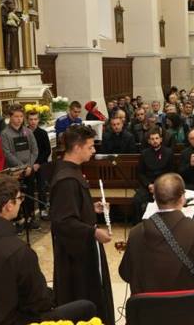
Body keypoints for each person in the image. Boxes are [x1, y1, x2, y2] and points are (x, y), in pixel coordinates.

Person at [0, 175, 96, 324]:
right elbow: (39, 305)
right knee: (85, 308)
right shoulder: (17, 251)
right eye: (20, 198)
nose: (21, 202)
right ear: (8, 206)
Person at [48, 125, 115, 324]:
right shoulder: (66, 180)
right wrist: (94, 232)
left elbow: (71, 208)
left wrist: (90, 208)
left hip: (81, 246)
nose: (93, 151)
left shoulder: (70, 171)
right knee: (83, 292)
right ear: (77, 147)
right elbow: (64, 221)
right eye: (90, 146)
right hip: (76, 255)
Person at [0, 104, 40, 231]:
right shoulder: (5, 133)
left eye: (21, 117)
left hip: (28, 169)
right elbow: (6, 153)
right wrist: (21, 167)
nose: (19, 119)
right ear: (10, 117)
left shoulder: (27, 131)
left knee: (29, 193)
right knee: (16, 195)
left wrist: (29, 166)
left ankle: (30, 218)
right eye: (16, 116)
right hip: (15, 171)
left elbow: (34, 150)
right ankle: (18, 220)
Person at [134, 127, 175, 224]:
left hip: (163, 184)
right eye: (152, 139)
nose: (155, 141)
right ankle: (139, 225)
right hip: (148, 185)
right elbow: (140, 173)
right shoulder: (144, 154)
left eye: (156, 138)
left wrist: (159, 185)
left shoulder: (168, 152)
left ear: (161, 139)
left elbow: (171, 172)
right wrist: (148, 185)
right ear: (149, 141)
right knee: (137, 200)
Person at [27, 110, 52, 220]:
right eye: (31, 119)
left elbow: (46, 150)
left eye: (35, 119)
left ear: (38, 120)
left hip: (41, 163)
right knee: (30, 187)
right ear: (27, 120)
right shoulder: (25, 132)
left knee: (42, 187)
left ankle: (43, 209)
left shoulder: (42, 133)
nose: (33, 122)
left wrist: (38, 163)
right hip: (28, 164)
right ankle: (30, 212)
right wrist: (31, 164)